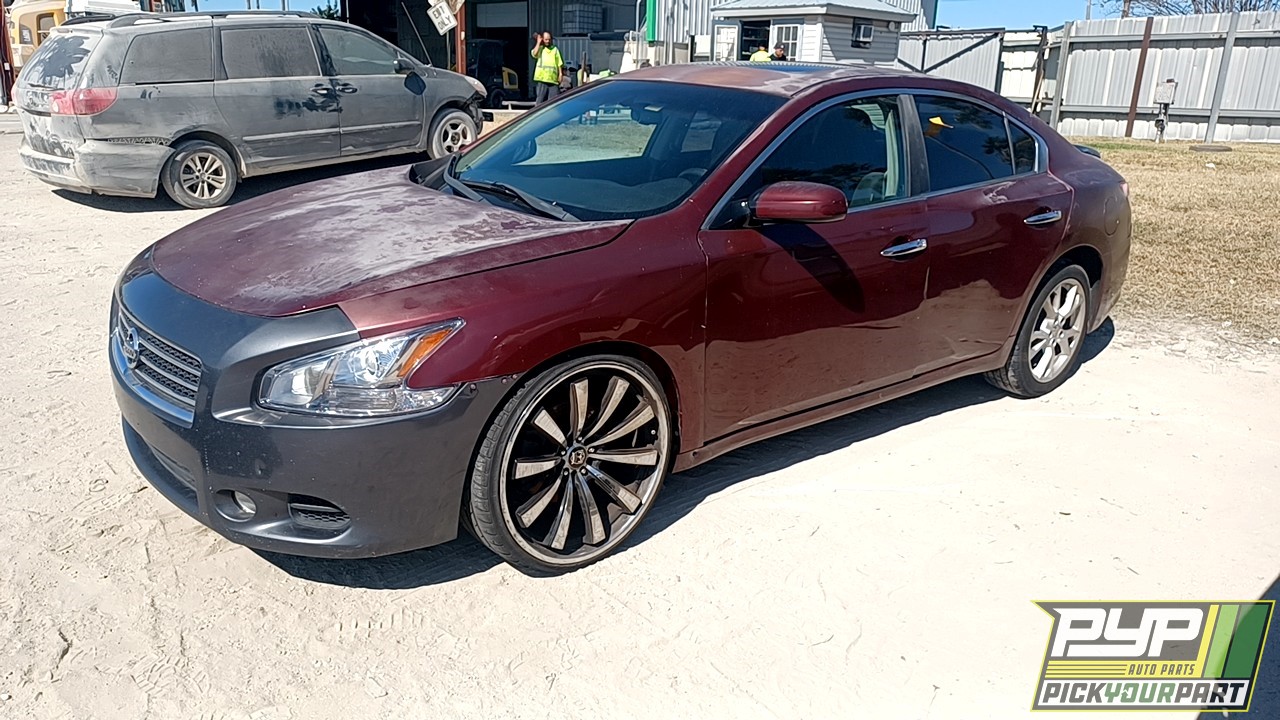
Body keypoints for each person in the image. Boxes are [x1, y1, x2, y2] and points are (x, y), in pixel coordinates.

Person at [531, 31, 565, 106]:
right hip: (542, 79)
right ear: (542, 39)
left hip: (553, 80)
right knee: (540, 102)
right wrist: (538, 42)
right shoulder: (540, 48)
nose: (548, 41)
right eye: (546, 39)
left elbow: (559, 63)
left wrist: (560, 74)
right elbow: (534, 54)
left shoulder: (555, 49)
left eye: (549, 39)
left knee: (554, 102)